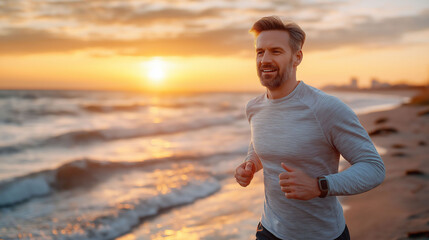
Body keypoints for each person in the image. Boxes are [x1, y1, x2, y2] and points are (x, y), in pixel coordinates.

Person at [234, 16, 385, 240]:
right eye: (260, 52)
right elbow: (259, 142)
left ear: (297, 57)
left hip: (323, 235)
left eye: (276, 51)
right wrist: (250, 163)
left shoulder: (326, 108)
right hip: (269, 229)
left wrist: (319, 185)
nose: (265, 59)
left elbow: (373, 168)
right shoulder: (254, 108)